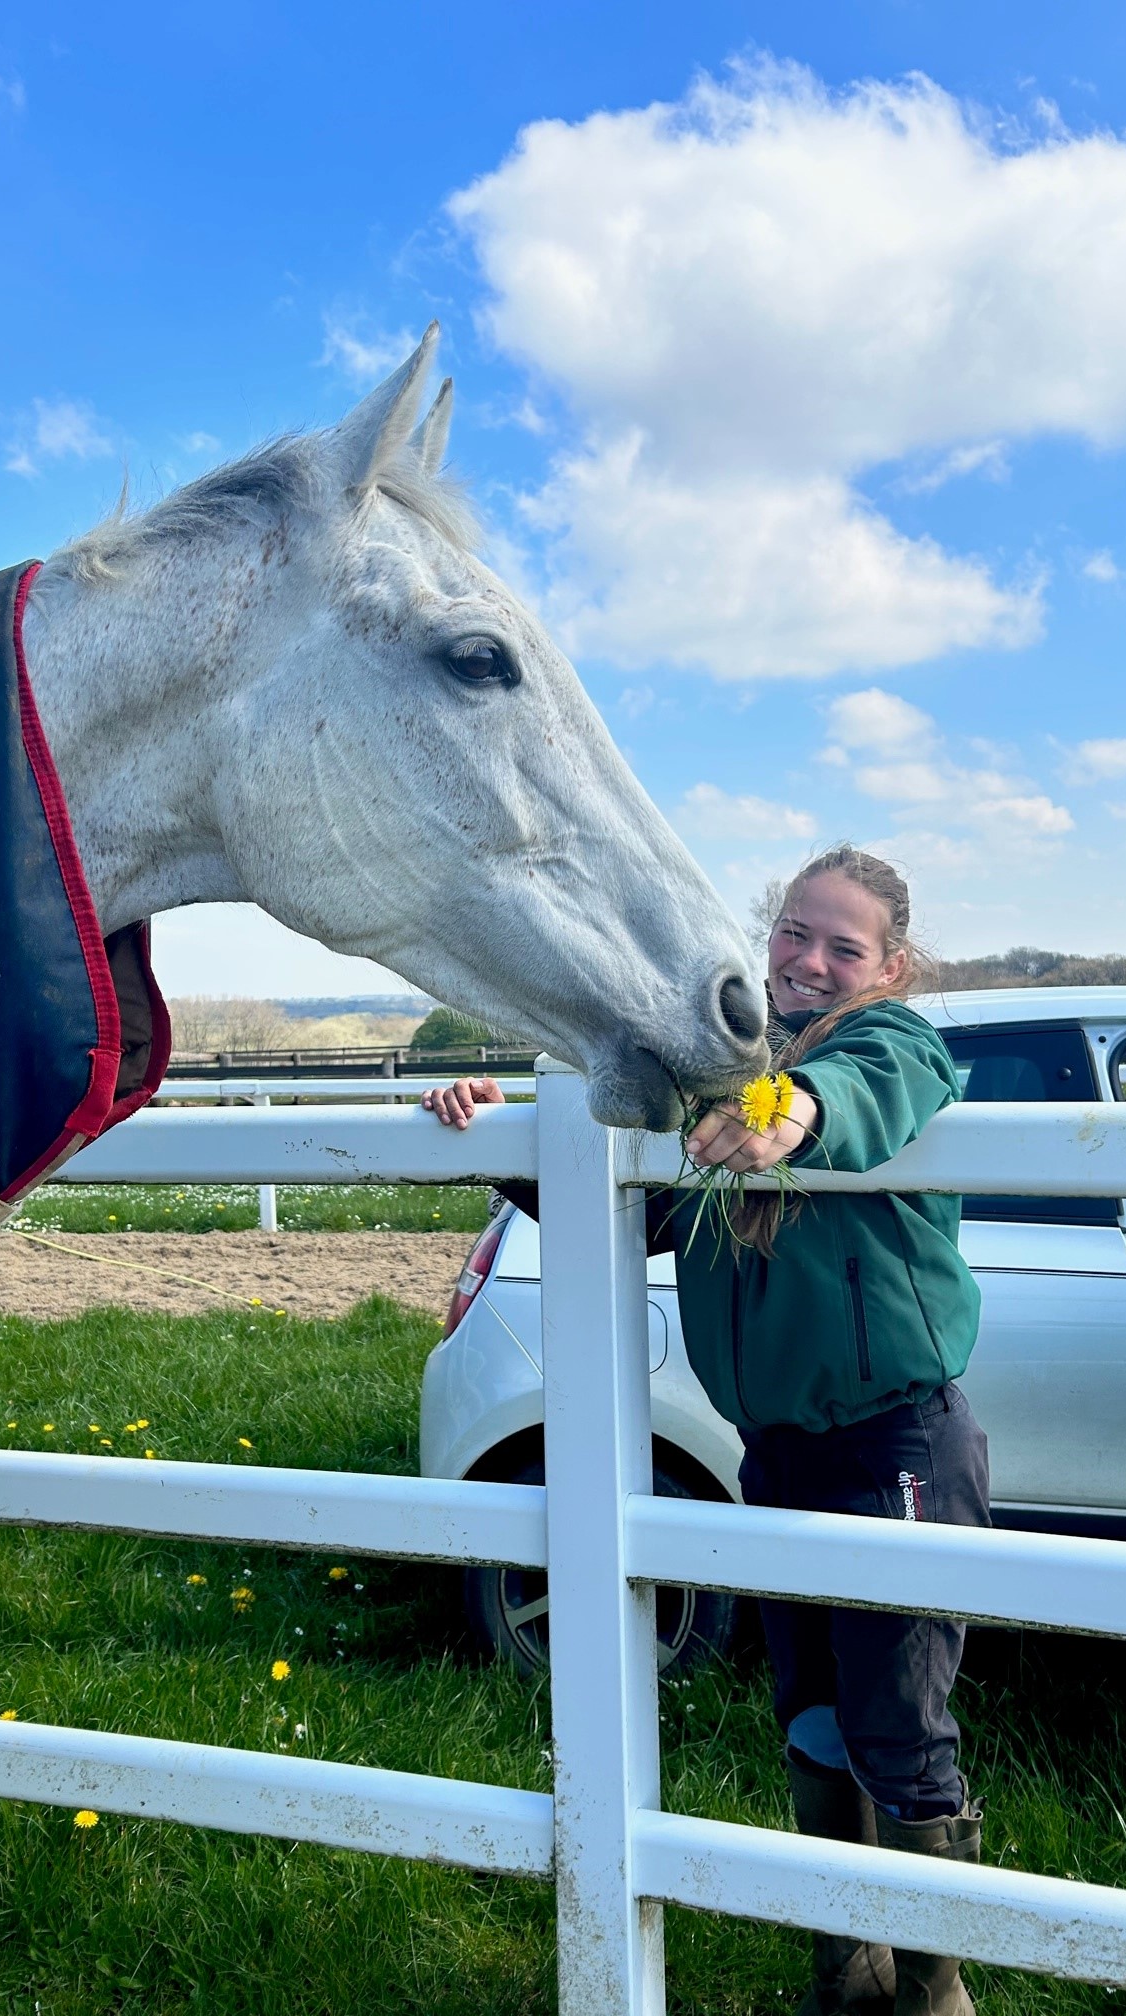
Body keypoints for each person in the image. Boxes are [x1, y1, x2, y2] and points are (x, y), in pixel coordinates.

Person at [424, 844, 988, 2016]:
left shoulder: (890, 1048)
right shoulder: (729, 1079)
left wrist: (795, 1116)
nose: (811, 963)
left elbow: (871, 1095)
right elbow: (643, 1212)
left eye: (844, 947)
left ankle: (937, 1990)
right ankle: (851, 1971)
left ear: (891, 963)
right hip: (776, 1450)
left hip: (895, 1444)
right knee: (815, 1712)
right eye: (795, 934)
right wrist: (500, 1133)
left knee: (901, 1721)